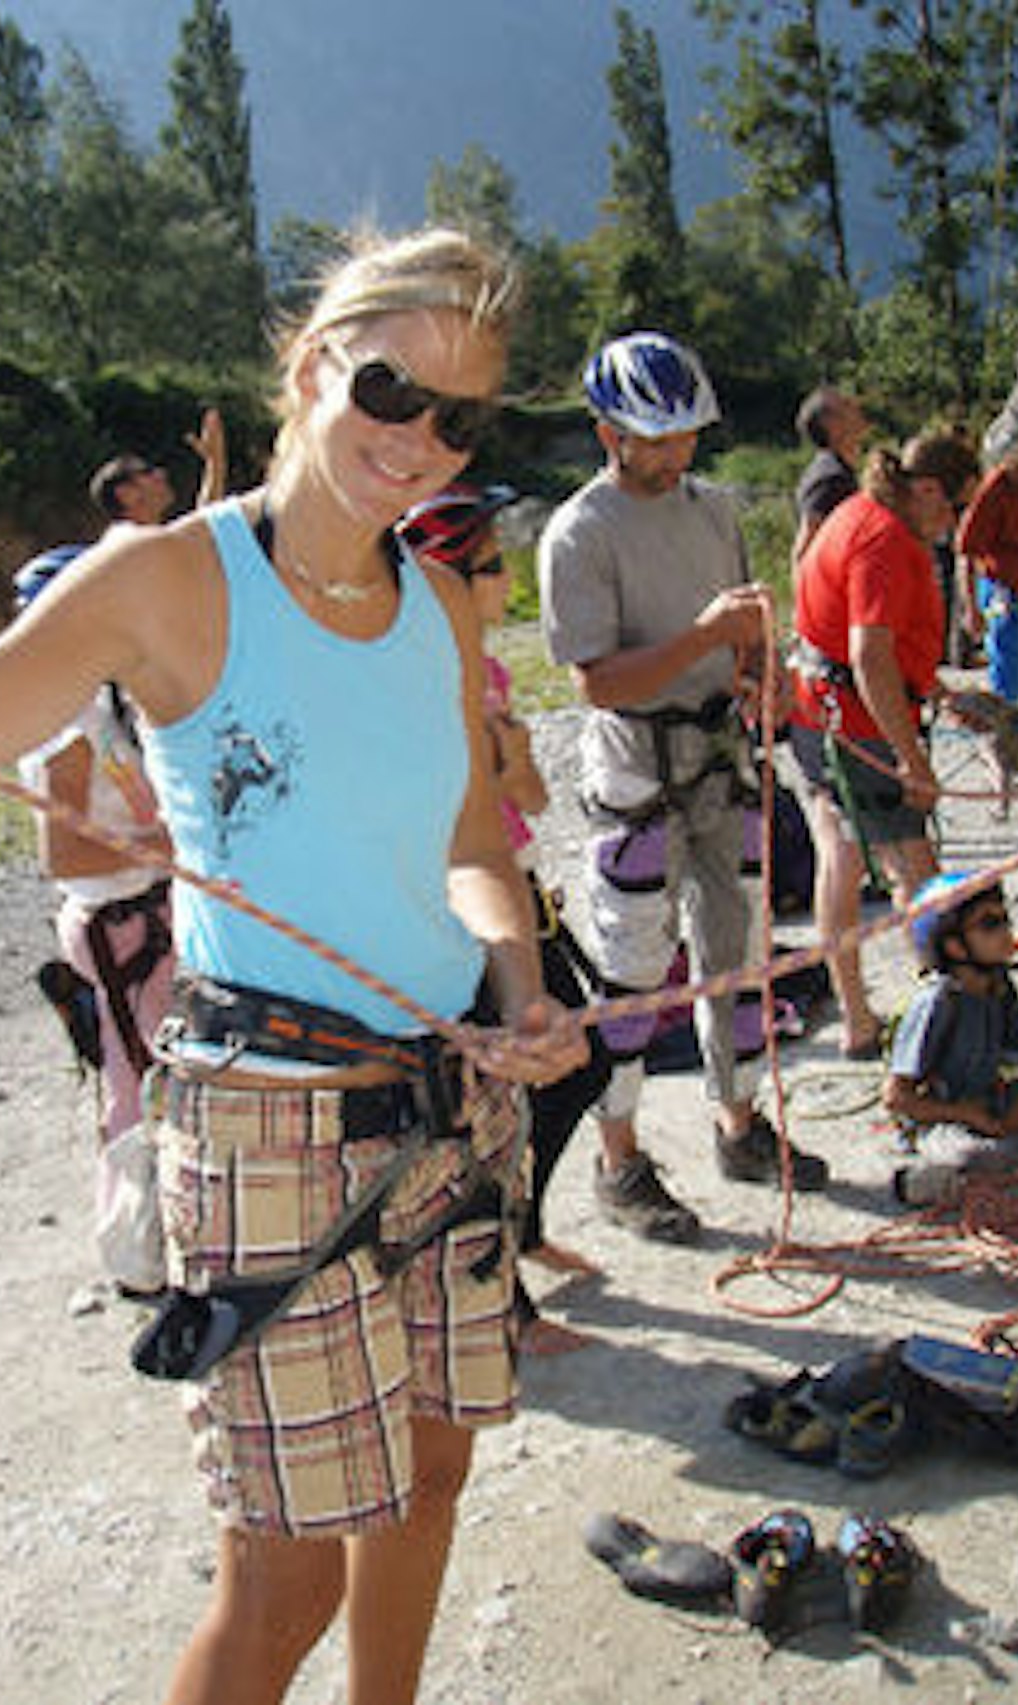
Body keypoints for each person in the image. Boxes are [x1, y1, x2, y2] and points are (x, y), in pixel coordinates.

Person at [0, 226, 586, 1705]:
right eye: (393, 390)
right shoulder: (163, 583)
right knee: (284, 1580)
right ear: (315, 363)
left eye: (462, 418)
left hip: (447, 1108)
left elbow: (472, 830)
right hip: (270, 1129)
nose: (421, 442)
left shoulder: (441, 603)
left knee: (434, 1477)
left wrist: (520, 984)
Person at [538, 330, 829, 1248]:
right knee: (630, 963)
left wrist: (756, 666)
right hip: (635, 764)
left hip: (721, 752)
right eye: (651, 440)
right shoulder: (579, 533)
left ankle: (738, 1124)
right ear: (606, 432)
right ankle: (618, 1158)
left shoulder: (712, 511)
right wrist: (707, 638)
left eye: (683, 438)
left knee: (735, 944)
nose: (672, 456)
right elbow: (597, 682)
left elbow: (744, 617)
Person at [399, 483, 614, 1354]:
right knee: (492, 1106)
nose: (505, 581)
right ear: (446, 580)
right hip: (470, 913)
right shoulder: (415, 686)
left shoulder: (485, 673)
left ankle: (521, 1232)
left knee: (580, 1068)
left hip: (522, 889)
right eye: (490, 566)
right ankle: (502, 1301)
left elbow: (528, 793)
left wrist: (509, 749)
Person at [14, 549, 177, 1293]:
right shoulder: (63, 721)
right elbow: (65, 852)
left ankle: (164, 1244)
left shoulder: (103, 701)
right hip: (120, 922)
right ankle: (142, 1256)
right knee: (137, 1089)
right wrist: (167, 845)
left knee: (156, 1081)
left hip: (145, 909)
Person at [789, 433, 980, 1060]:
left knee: (838, 859)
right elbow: (871, 655)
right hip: (858, 725)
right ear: (927, 490)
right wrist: (913, 758)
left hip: (818, 711)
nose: (951, 525)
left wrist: (933, 688)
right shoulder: (886, 542)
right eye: (952, 509)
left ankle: (859, 1020)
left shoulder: (858, 511)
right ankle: (952, 1018)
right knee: (915, 869)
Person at [885, 871, 1018, 1205]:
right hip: (946, 1119)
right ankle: (919, 1183)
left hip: (994, 1100)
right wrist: (966, 1114)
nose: (1007, 933)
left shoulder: (998, 983)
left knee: (1012, 1143)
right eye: (989, 925)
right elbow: (897, 1098)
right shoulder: (937, 1003)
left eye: (1005, 920)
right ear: (954, 946)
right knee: (977, 1157)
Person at [955, 428, 1018, 703]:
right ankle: (1004, 736)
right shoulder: (995, 491)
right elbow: (966, 551)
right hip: (999, 588)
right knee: (1006, 668)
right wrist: (971, 608)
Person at [89, 407, 227, 532]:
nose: (162, 474)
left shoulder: (145, 543)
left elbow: (202, 526)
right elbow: (202, 528)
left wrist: (214, 463)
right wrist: (215, 463)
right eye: (147, 471)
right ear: (126, 494)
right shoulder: (136, 548)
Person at [791, 385, 869, 574]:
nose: (856, 406)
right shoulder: (829, 479)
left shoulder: (839, 472)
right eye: (845, 405)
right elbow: (803, 552)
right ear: (831, 424)